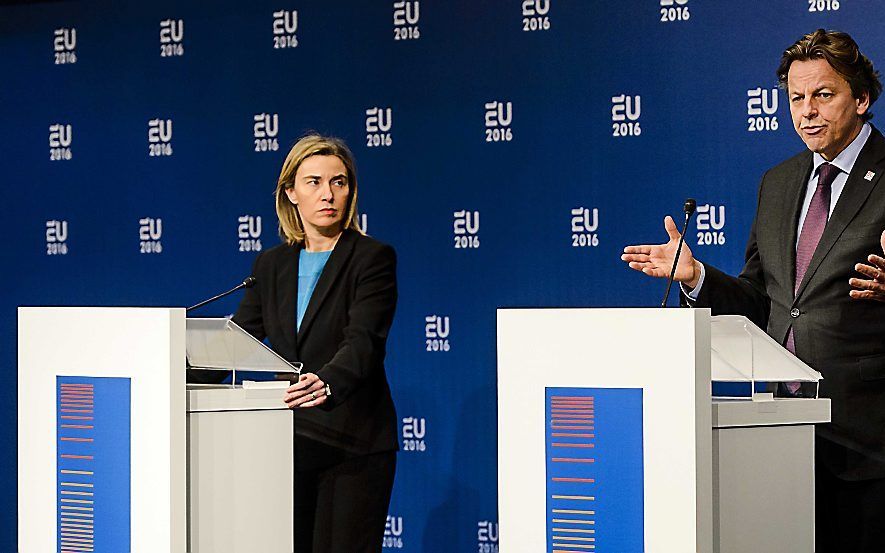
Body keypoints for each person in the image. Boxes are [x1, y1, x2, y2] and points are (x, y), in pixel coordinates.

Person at [621, 29, 885, 552]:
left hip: (868, 443)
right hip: (780, 437)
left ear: (861, 98)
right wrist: (697, 278)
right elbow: (762, 303)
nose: (807, 111)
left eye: (823, 95)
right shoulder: (779, 181)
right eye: (795, 98)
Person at [233, 134, 399, 553]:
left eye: (339, 182)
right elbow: (238, 341)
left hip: (353, 442)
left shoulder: (372, 258)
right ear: (290, 192)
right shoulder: (270, 265)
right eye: (314, 182)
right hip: (288, 441)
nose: (328, 194)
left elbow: (364, 340)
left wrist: (327, 381)